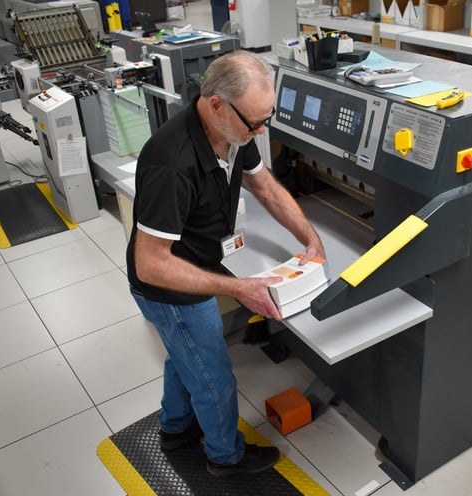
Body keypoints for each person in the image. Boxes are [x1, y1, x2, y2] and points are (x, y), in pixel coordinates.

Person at [126, 50, 326, 476]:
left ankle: (176, 427)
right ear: (216, 104)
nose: (259, 131)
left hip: (198, 265)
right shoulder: (172, 162)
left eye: (265, 119)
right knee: (213, 375)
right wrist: (240, 288)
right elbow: (150, 264)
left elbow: (266, 188)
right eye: (253, 122)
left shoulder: (231, 134)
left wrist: (309, 236)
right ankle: (225, 457)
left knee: (186, 357)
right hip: (169, 286)